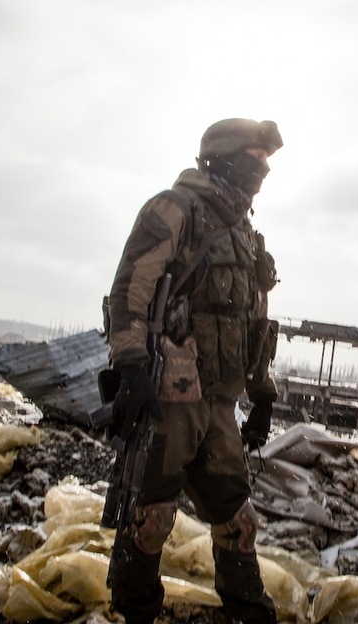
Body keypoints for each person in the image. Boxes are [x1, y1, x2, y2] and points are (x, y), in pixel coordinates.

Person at [105, 118, 283, 624]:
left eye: (266, 162)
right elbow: (130, 290)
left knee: (237, 517)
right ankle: (135, 610)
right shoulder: (175, 208)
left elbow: (252, 319)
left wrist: (262, 390)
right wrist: (133, 365)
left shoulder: (244, 229)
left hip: (220, 403)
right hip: (170, 395)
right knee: (151, 515)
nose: (262, 171)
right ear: (224, 157)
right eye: (254, 159)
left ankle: (250, 612)